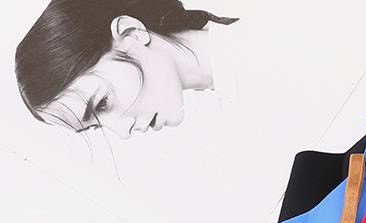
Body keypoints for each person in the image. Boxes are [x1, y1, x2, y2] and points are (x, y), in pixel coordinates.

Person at [15, 0, 238, 139]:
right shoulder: (240, 84)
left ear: (131, 33)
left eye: (102, 103)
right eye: (95, 127)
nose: (123, 132)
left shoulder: (254, 64)